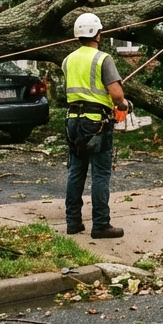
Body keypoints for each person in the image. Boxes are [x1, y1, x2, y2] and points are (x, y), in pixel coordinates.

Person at [62, 12, 129, 239]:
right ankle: (100, 224)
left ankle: (73, 222)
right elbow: (117, 95)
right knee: (100, 173)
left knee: (76, 171)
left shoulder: (68, 60)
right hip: (96, 123)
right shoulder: (103, 59)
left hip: (73, 121)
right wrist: (123, 104)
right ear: (97, 34)